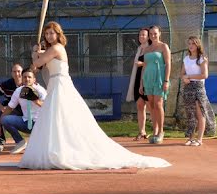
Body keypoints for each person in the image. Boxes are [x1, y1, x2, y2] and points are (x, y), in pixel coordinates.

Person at [18, 21, 170, 170]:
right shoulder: (51, 49)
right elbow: (39, 63)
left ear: (58, 35)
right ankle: (56, 149)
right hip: (56, 85)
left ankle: (62, 151)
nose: (49, 36)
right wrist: (38, 53)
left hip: (60, 85)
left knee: (60, 116)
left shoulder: (57, 48)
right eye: (47, 33)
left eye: (52, 33)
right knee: (54, 118)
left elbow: (37, 64)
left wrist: (35, 53)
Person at [0, 68, 47, 155]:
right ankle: (20, 142)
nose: (27, 79)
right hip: (25, 122)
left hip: (40, 124)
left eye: (29, 77)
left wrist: (37, 101)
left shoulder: (40, 90)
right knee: (5, 120)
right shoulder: (18, 91)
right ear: (22, 78)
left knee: (39, 150)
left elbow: (48, 107)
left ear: (34, 79)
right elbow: (10, 108)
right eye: (25, 77)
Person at [180, 36, 217, 146]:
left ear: (197, 45)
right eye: (189, 43)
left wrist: (189, 76)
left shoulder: (202, 58)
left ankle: (199, 139)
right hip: (188, 88)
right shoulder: (186, 59)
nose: (191, 46)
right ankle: (190, 138)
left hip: (199, 88)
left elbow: (204, 75)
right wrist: (184, 78)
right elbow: (182, 73)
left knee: (200, 113)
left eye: (193, 43)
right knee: (190, 113)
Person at [140, 24, 172, 144]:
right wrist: (141, 84)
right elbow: (144, 67)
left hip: (160, 79)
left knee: (158, 104)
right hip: (148, 79)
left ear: (159, 33)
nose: (153, 35)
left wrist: (166, 80)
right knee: (151, 105)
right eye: (151, 34)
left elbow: (168, 64)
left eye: (155, 33)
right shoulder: (146, 49)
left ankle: (161, 132)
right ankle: (154, 131)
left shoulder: (164, 46)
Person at [0, 63, 23, 151]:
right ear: (11, 73)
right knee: (2, 119)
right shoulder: (7, 84)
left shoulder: (27, 83)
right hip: (11, 108)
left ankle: (36, 143)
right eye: (14, 71)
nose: (17, 73)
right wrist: (0, 107)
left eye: (19, 71)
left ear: (22, 72)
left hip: (26, 109)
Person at [125, 27, 152, 141]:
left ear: (148, 37)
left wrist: (143, 63)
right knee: (140, 105)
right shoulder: (139, 48)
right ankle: (142, 132)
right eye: (140, 35)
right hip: (137, 79)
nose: (141, 37)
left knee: (151, 107)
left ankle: (157, 131)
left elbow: (153, 63)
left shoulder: (151, 48)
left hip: (147, 79)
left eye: (144, 35)